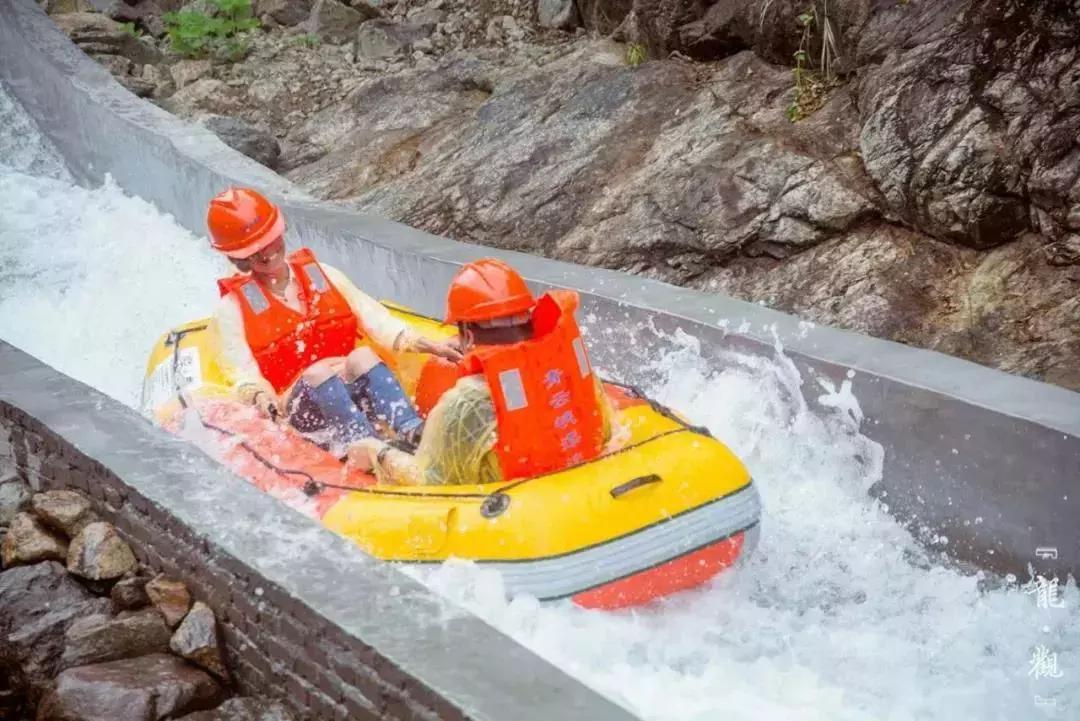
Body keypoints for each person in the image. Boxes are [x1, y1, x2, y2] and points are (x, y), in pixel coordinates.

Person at [206, 187, 460, 453]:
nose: (267, 254)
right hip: (300, 409)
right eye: (254, 253)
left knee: (362, 356)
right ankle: (369, 447)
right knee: (318, 373)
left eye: (270, 242)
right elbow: (243, 376)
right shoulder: (232, 310)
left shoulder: (323, 275)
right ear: (240, 259)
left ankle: (411, 430)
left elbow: (378, 321)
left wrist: (428, 344)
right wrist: (261, 397)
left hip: (350, 386)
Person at [348, 258, 616, 485]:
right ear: (529, 318)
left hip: (508, 502)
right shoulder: (576, 373)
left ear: (466, 333)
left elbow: (430, 479)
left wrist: (378, 454)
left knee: (377, 444)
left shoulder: (465, 402)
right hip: (584, 479)